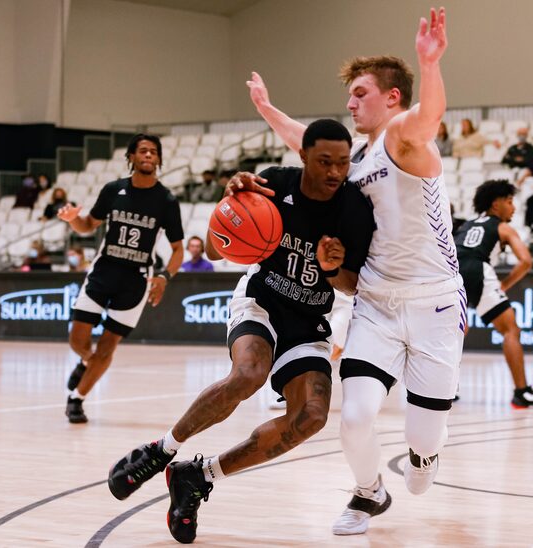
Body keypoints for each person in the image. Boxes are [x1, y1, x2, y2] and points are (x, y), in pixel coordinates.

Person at [247, 7, 466, 536]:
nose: (350, 102)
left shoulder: (406, 137)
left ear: (392, 97)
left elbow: (429, 115)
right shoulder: (357, 157)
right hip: (375, 300)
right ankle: (368, 493)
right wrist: (267, 109)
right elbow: (306, 140)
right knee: (354, 415)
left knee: (423, 449)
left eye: (361, 92)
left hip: (435, 303)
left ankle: (423, 458)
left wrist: (428, 64)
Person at [107, 120, 375, 544]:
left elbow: (353, 285)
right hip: (262, 299)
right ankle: (162, 451)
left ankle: (197, 475)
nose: (334, 172)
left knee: (312, 417)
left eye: (342, 163)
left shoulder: (355, 210)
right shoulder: (270, 185)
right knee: (249, 373)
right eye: (324, 161)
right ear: (302, 155)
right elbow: (216, 250)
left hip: (310, 320)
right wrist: (230, 203)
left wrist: (331, 268)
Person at [57, 133, 184, 424]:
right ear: (131, 158)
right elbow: (88, 224)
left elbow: (178, 250)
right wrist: (73, 220)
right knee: (78, 340)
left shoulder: (166, 200)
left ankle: (77, 399)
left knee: (108, 345)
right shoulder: (114, 190)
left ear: (159, 160)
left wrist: (165, 276)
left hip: (136, 280)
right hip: (103, 272)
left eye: (154, 151)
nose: (149, 155)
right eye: (142, 151)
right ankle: (86, 362)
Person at [454, 180, 533, 408]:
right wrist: (505, 284)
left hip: (452, 271)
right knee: (511, 330)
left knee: (456, 332)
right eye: (510, 202)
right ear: (495, 204)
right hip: (478, 269)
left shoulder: (465, 225)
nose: (514, 208)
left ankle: (444, 390)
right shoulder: (503, 227)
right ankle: (522, 392)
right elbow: (526, 261)